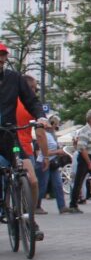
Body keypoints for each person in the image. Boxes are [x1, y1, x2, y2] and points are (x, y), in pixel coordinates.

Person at [0, 44, 50, 240]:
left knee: (32, 179)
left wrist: (41, 116)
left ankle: (29, 218)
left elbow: (32, 101)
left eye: (3, 56)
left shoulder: (14, 78)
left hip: (9, 137)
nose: (1, 60)